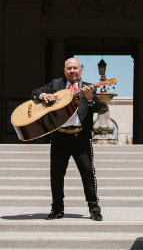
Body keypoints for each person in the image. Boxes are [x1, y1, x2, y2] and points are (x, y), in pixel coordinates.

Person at [33, 57, 103, 221]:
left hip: (81, 137)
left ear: (80, 71)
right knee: (56, 174)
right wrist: (44, 96)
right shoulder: (55, 85)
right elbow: (35, 92)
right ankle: (57, 209)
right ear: (64, 71)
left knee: (88, 174)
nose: (72, 71)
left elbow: (98, 107)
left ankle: (94, 209)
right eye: (69, 68)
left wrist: (91, 98)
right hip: (59, 137)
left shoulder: (88, 88)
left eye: (75, 68)